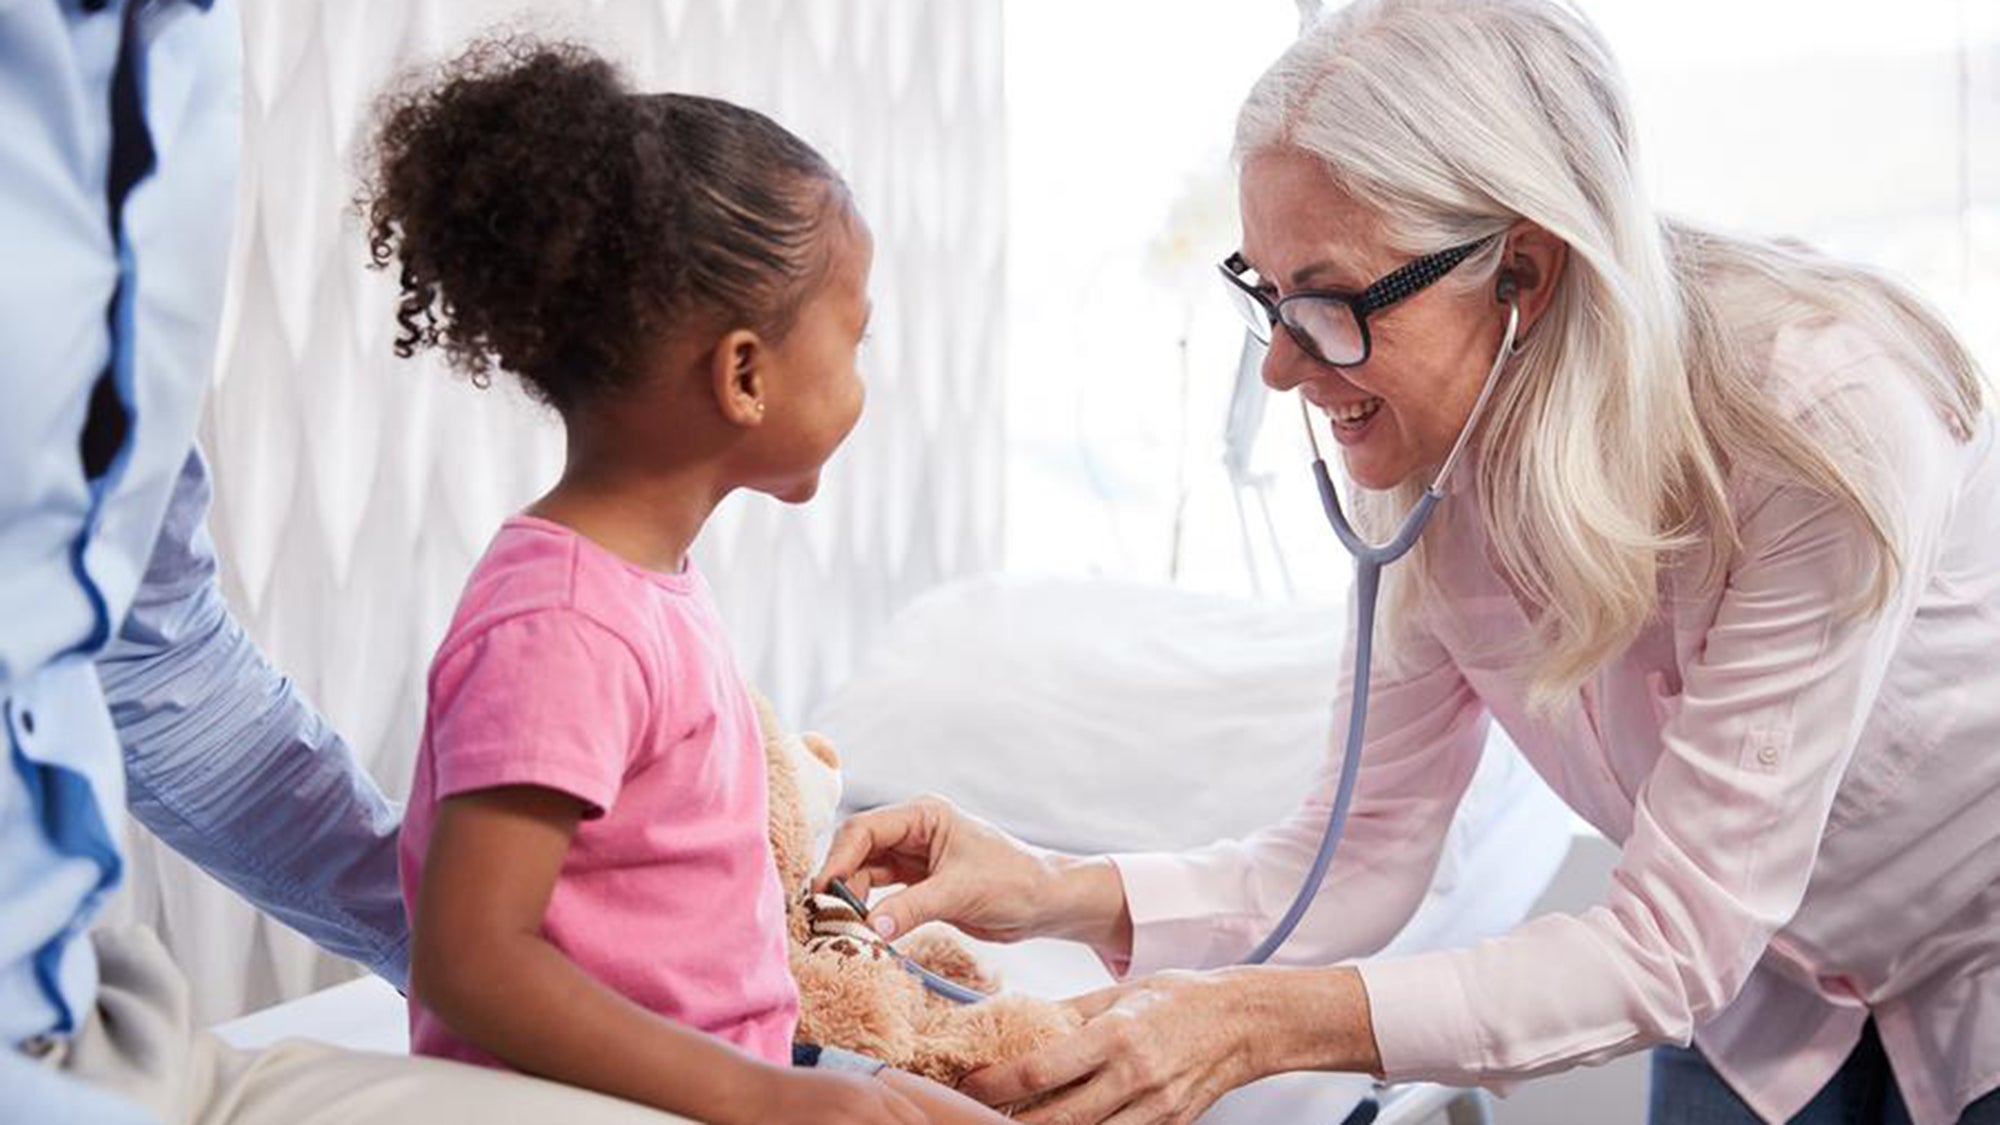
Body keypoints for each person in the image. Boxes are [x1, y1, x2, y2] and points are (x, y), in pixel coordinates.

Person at [814, 2, 2000, 1124]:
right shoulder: (1428, 459)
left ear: (1521, 273)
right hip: (1771, 998)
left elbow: (1667, 945)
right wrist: (1050, 889)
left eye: (1326, 303)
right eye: (1266, 298)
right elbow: (1363, 849)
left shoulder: (1814, 418)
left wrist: (1258, 1023)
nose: (1281, 368)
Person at [368, 36, 1005, 1125]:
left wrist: (805, 1076)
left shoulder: (634, 585)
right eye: (853, 341)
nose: (862, 383)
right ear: (745, 373)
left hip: (728, 1076)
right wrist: (769, 1101)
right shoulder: (560, 623)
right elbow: (469, 962)